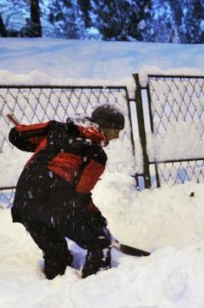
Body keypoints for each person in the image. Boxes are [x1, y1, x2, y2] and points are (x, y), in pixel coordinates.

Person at [9, 104, 125, 279]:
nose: (117, 136)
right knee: (99, 243)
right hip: (55, 205)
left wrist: (49, 144)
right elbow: (81, 193)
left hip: (25, 203)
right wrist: (96, 218)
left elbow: (17, 135)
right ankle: (98, 288)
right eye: (116, 130)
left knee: (56, 252)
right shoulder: (96, 154)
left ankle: (55, 289)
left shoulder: (57, 129)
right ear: (103, 126)